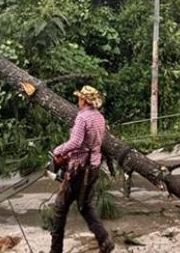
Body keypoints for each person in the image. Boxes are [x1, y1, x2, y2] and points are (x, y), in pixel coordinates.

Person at [51, 86, 115, 253]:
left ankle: (55, 250)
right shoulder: (99, 117)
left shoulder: (82, 117)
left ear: (83, 100)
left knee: (59, 207)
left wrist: (58, 151)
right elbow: (89, 143)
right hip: (93, 167)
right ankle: (104, 240)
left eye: (79, 98)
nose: (77, 101)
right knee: (85, 205)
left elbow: (76, 142)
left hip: (79, 169)